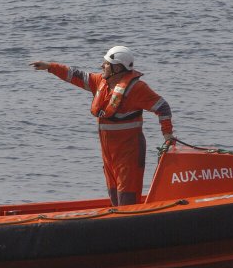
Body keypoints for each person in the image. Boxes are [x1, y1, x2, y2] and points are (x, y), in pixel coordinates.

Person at [30, 45, 174, 207]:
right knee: (114, 197)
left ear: (117, 68)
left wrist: (167, 135)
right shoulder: (100, 82)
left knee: (127, 199)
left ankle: (130, 221)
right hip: (109, 155)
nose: (101, 66)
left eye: (106, 63)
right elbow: (75, 75)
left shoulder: (137, 88)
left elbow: (163, 107)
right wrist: (50, 66)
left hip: (129, 155)